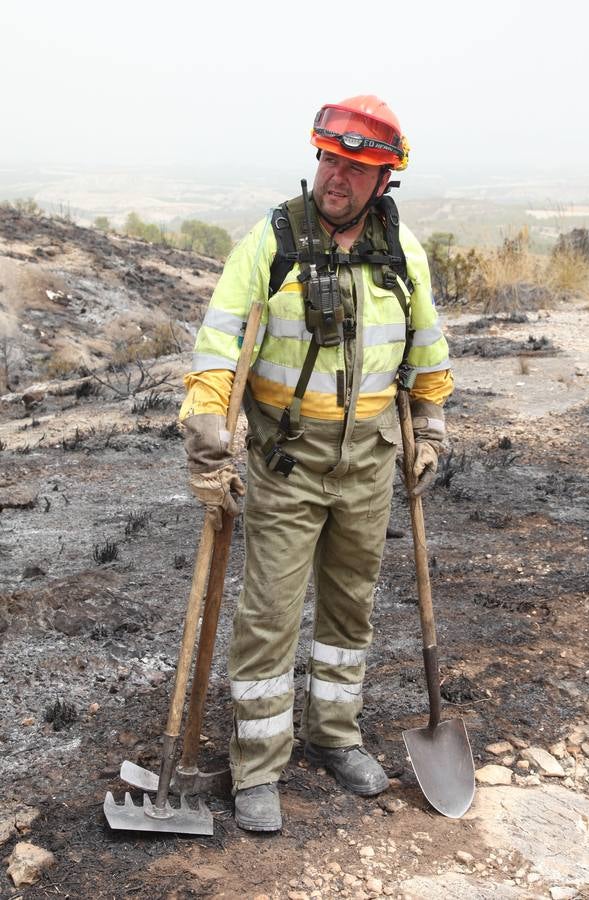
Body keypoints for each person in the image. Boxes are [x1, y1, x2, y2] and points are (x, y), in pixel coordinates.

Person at [179, 95, 453, 832]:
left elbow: (427, 354)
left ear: (384, 179)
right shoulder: (271, 243)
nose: (337, 176)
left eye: (355, 168)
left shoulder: (401, 253)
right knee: (270, 613)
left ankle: (335, 735)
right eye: (330, 159)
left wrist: (429, 430)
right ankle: (257, 767)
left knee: (349, 606)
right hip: (287, 459)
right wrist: (208, 442)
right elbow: (218, 347)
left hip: (371, 459)